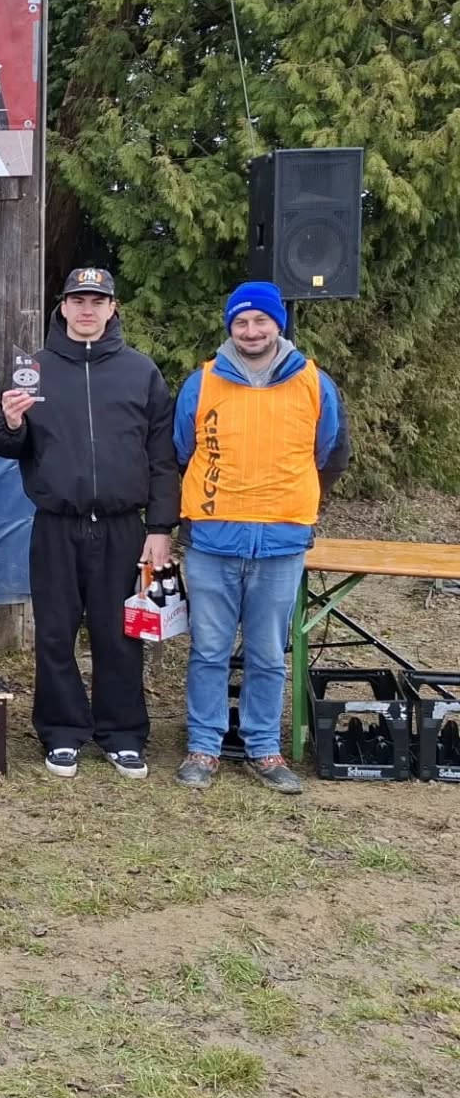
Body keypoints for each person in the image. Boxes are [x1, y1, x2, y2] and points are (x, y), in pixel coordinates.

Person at [0, 268, 178, 780]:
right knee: (54, 633)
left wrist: (160, 528)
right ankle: (62, 732)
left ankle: (123, 734)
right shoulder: (34, 369)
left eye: (97, 300)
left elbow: (163, 457)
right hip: (56, 525)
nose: (87, 309)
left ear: (112, 308)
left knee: (120, 634)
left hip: (123, 527)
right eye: (78, 300)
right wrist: (11, 421)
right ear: (63, 307)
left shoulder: (140, 372)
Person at [173, 281, 349, 795]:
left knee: (269, 654)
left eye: (261, 321)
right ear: (230, 327)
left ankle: (263, 748)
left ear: (278, 325)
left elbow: (331, 453)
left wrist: (294, 500)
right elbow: (181, 450)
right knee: (208, 650)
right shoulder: (202, 382)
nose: (251, 331)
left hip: (281, 543)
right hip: (212, 541)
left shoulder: (313, 383)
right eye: (241, 322)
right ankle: (203, 746)